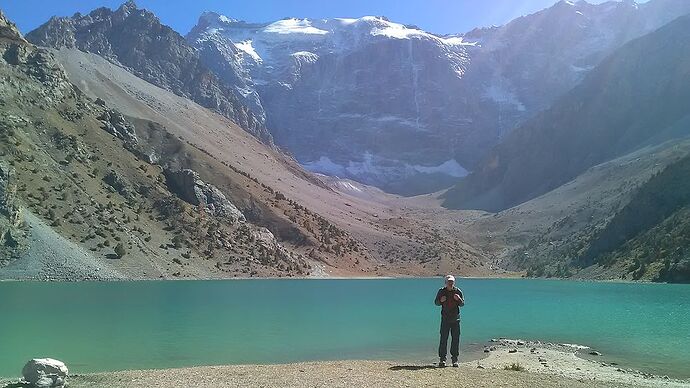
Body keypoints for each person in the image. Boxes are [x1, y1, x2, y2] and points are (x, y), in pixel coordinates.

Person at [434, 274, 464, 367]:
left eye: (452, 282)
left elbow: (462, 304)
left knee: (455, 340)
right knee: (443, 339)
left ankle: (454, 359)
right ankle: (442, 359)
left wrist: (458, 299)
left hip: (456, 319)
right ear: (445, 283)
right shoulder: (441, 291)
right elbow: (436, 303)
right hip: (445, 320)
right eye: (449, 282)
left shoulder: (458, 291)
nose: (450, 283)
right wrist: (441, 300)